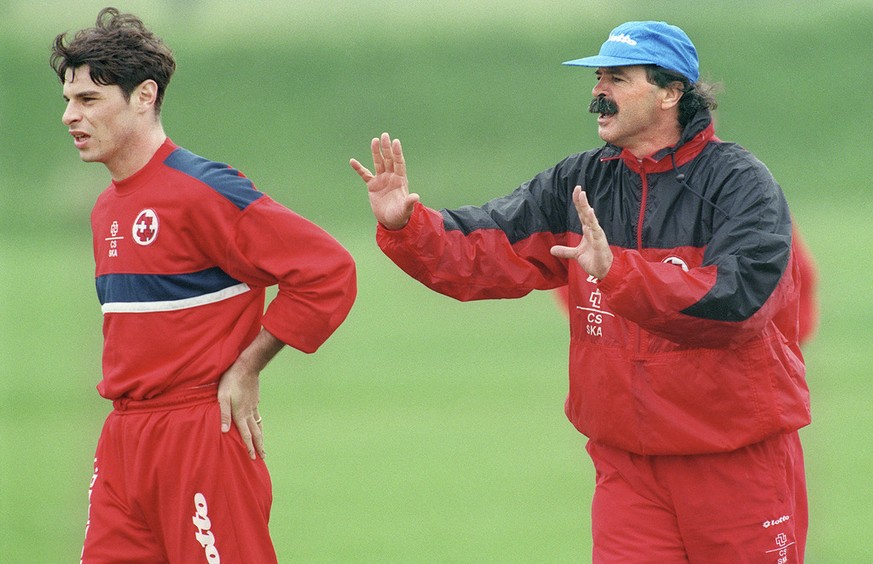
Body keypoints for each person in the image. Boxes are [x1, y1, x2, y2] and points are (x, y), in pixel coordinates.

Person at [351, 21, 810, 562]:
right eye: (598, 77)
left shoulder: (740, 184)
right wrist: (409, 226)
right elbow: (485, 250)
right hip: (627, 469)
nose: (599, 91)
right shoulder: (579, 182)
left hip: (734, 464)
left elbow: (738, 304)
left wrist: (618, 272)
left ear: (671, 92)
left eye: (618, 77)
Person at [52, 8, 356, 562]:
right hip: (122, 441)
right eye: (68, 101)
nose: (71, 116)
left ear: (145, 95)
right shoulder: (104, 208)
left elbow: (328, 271)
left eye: (89, 101)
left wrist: (248, 364)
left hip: (199, 434)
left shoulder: (204, 191)